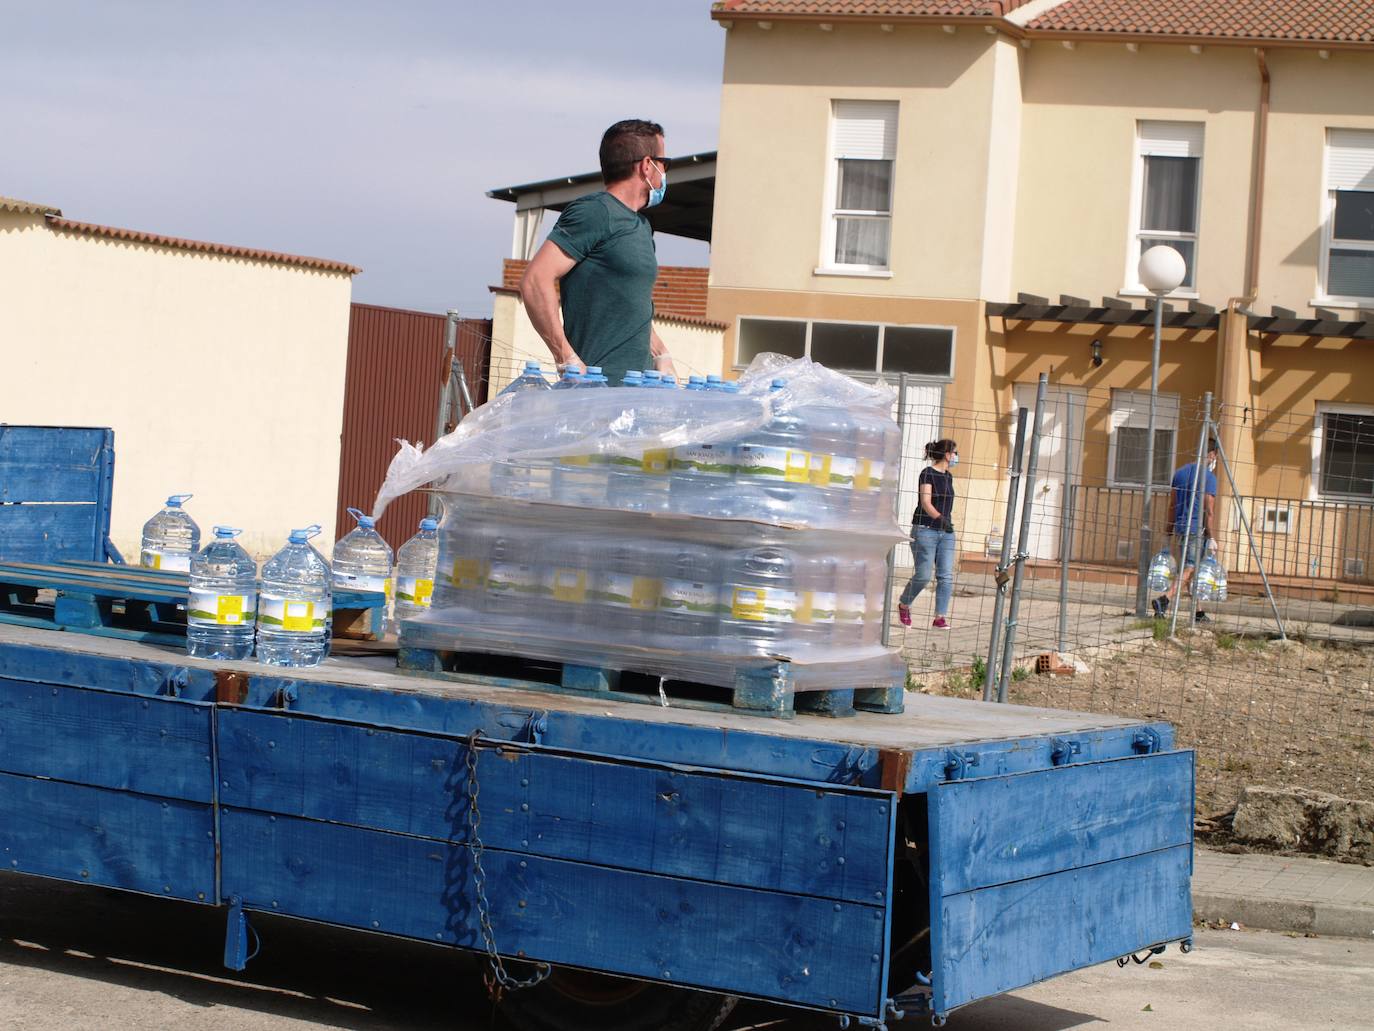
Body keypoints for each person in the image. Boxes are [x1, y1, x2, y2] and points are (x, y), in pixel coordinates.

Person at [520, 118, 676, 386]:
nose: (665, 172)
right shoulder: (595, 212)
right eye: (664, 163)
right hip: (595, 395)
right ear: (646, 166)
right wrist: (565, 359)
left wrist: (661, 353)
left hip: (637, 391)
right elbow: (535, 280)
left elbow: (629, 306)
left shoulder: (641, 226)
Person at [1154, 439, 1219, 621]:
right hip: (1196, 529)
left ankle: (1198, 612)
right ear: (1212, 454)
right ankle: (1164, 599)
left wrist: (1168, 532)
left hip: (1181, 527)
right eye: (1215, 456)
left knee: (1191, 570)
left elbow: (1173, 505)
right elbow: (1209, 510)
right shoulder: (1209, 478)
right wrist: (1211, 537)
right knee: (1190, 568)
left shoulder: (1180, 473)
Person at [898, 439, 959, 630]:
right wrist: (940, 519)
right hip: (926, 529)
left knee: (946, 576)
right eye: (955, 452)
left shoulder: (948, 476)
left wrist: (946, 524)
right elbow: (926, 501)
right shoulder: (927, 474)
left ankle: (940, 617)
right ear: (947, 454)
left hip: (946, 532)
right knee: (924, 575)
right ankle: (904, 604)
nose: (957, 456)